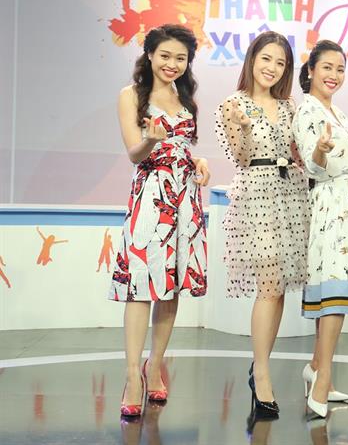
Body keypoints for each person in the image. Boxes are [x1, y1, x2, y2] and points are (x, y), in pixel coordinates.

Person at [109, 24, 209, 417]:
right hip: (151, 197)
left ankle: (155, 367)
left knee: (171, 288)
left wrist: (199, 162)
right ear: (149, 54)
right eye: (165, 55)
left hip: (185, 198)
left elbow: (182, 147)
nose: (172, 64)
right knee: (140, 287)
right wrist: (151, 139)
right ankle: (133, 374)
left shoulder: (186, 99)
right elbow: (135, 154)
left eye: (180, 58)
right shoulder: (131, 95)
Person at [214, 31, 310, 417]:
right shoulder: (233, 104)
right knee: (268, 283)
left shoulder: (289, 106)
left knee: (279, 287)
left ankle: (260, 366)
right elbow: (240, 157)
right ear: (252, 59)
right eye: (266, 58)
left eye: (281, 62)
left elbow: (299, 154)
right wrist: (242, 127)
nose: (272, 68)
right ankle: (263, 374)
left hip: (291, 194)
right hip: (256, 194)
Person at [292, 40, 348, 418]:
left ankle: (315, 366)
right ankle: (322, 378)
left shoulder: (336, 110)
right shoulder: (307, 110)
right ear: (310, 70)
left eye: (340, 69)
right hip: (331, 203)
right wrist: (321, 150)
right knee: (335, 294)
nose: (334, 75)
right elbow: (313, 164)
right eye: (327, 67)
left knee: (335, 289)